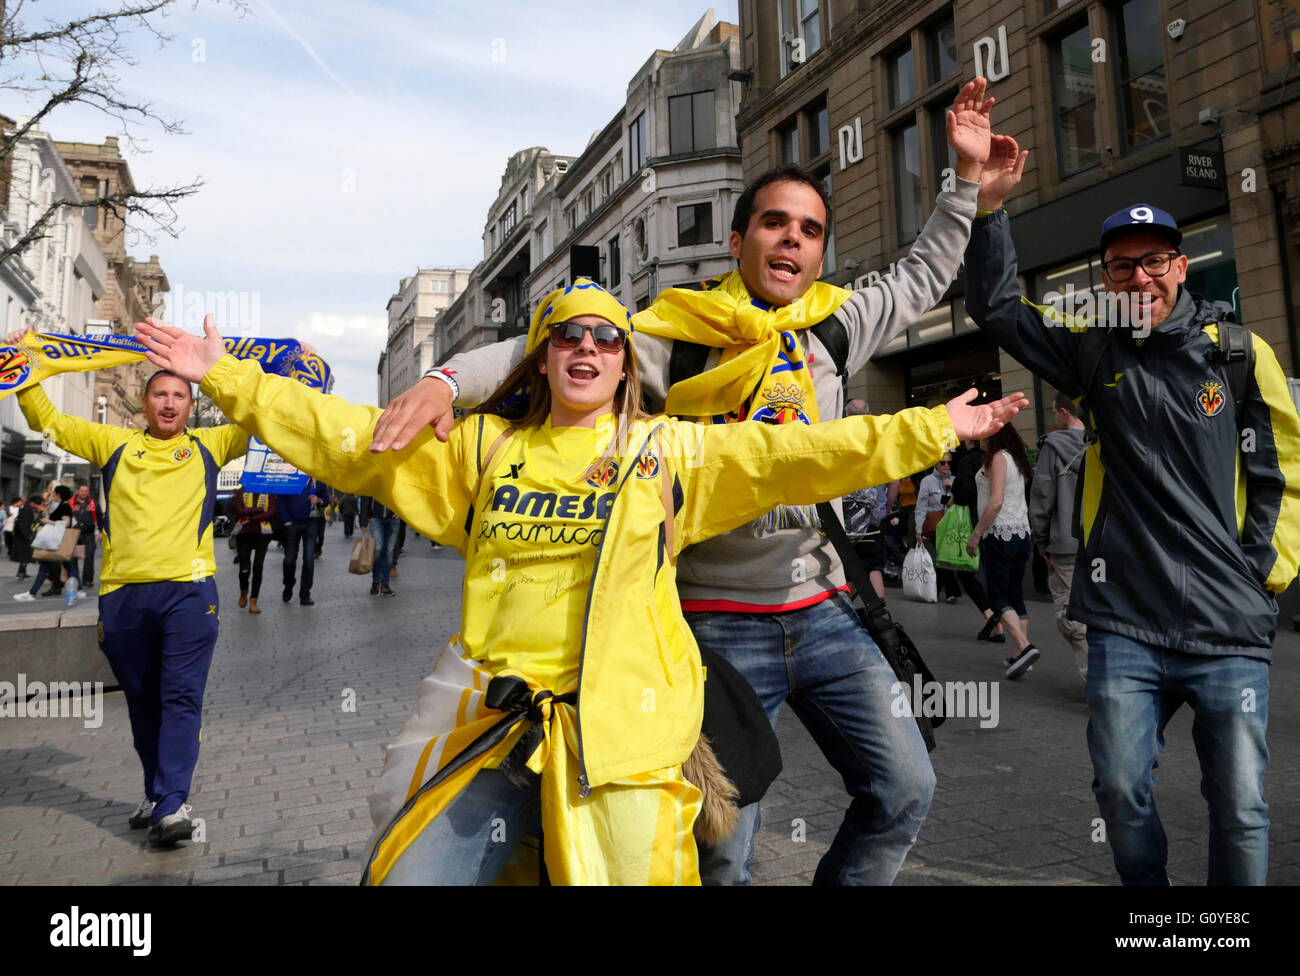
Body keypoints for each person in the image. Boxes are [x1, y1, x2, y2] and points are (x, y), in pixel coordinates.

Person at [136, 278, 1023, 885]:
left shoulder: (672, 451)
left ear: (628, 362)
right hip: (491, 720)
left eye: (609, 336)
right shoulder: (485, 451)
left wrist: (931, 426)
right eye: (569, 334)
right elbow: (345, 437)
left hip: (625, 745)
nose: (590, 346)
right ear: (543, 355)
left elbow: (804, 453)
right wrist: (226, 377)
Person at [367, 79, 999, 885]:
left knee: (906, 788)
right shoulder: (675, 337)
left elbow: (919, 277)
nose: (792, 241)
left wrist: (966, 180)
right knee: (721, 846)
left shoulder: (833, 330)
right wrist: (446, 382)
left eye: (810, 230)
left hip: (827, 609)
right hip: (710, 626)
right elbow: (561, 335)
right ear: (738, 242)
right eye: (774, 222)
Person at [966, 135, 1300, 885]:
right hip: (1123, 622)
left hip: (1229, 627)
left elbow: (1288, 471)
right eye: (1122, 266)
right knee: (1119, 792)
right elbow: (994, 306)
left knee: (1242, 806)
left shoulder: (1239, 356)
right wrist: (989, 211)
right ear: (1107, 279)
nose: (1140, 276)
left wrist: (1262, 577)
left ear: (1180, 267)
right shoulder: (1093, 353)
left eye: (1156, 261)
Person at [5, 324, 248, 846]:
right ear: (144, 402)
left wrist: (301, 362)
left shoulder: (214, 444)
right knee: (142, 700)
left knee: (182, 697)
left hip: (189, 592)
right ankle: (157, 792)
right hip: (123, 597)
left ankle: (175, 803)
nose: (169, 402)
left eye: (180, 394)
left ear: (190, 403)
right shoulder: (112, 443)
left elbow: (260, 411)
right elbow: (45, 419)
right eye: (160, 393)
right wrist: (21, 366)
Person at [968, 425, 1037, 677]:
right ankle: (1021, 655)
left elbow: (995, 501)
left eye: (985, 433)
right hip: (1021, 531)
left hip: (999, 534)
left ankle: (1024, 646)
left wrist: (976, 534)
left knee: (998, 596)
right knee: (1015, 594)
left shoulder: (997, 458)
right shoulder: (1016, 458)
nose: (981, 438)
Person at [1029, 392, 1089, 682]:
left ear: (1065, 412)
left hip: (1065, 541)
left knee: (1068, 614)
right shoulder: (1105, 440)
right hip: (1104, 541)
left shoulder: (1052, 447)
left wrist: (1041, 542)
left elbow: (1042, 496)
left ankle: (1096, 678)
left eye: (1054, 412)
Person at [13, 484, 80, 602]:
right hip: (55, 541)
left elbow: (66, 523)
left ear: (58, 494)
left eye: (54, 493)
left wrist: (48, 521)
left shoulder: (64, 507)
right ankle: (78, 590)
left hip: (56, 541)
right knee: (67, 566)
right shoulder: (60, 505)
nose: (53, 495)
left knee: (46, 567)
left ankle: (31, 593)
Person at [915, 454, 960, 603]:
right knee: (943, 556)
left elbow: (962, 502)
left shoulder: (954, 480)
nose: (946, 465)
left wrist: (953, 489)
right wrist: (918, 529)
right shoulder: (927, 481)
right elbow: (921, 506)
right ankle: (951, 592)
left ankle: (935, 590)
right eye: (943, 463)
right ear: (935, 464)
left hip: (952, 525)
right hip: (936, 526)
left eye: (949, 463)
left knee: (943, 558)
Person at [278, 477, 324, 606]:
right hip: (292, 524)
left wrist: (319, 500)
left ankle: (305, 594)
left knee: (309, 560)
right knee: (289, 560)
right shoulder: (290, 476)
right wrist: (286, 520)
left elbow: (325, 499)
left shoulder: (317, 478)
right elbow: (280, 499)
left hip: (312, 523)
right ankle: (288, 584)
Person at [233, 488, 276, 614]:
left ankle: (253, 601)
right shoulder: (242, 491)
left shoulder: (269, 492)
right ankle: (243, 591)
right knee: (244, 569)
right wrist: (258, 511)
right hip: (244, 534)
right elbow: (239, 511)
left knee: (258, 567)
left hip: (262, 534)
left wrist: (251, 516)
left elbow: (272, 512)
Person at [358, 495, 398, 596]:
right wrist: (363, 519)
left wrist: (402, 511)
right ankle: (376, 581)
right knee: (378, 549)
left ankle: (385, 584)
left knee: (388, 552)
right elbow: (365, 493)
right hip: (376, 517)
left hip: (393, 517)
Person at [69, 481, 101, 587]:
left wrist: (100, 531)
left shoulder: (93, 503)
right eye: (82, 491)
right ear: (78, 491)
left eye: (86, 491)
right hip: (74, 534)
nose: (84, 493)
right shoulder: (71, 503)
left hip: (89, 533)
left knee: (89, 556)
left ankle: (88, 580)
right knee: (73, 558)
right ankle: (75, 579)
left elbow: (99, 517)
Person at [9, 495, 40, 580]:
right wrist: (28, 535)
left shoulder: (27, 509)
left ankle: (22, 572)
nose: (38, 505)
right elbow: (24, 524)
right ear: (33, 503)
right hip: (24, 537)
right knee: (25, 555)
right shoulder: (27, 510)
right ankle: (21, 572)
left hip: (23, 536)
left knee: (25, 556)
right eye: (37, 504)